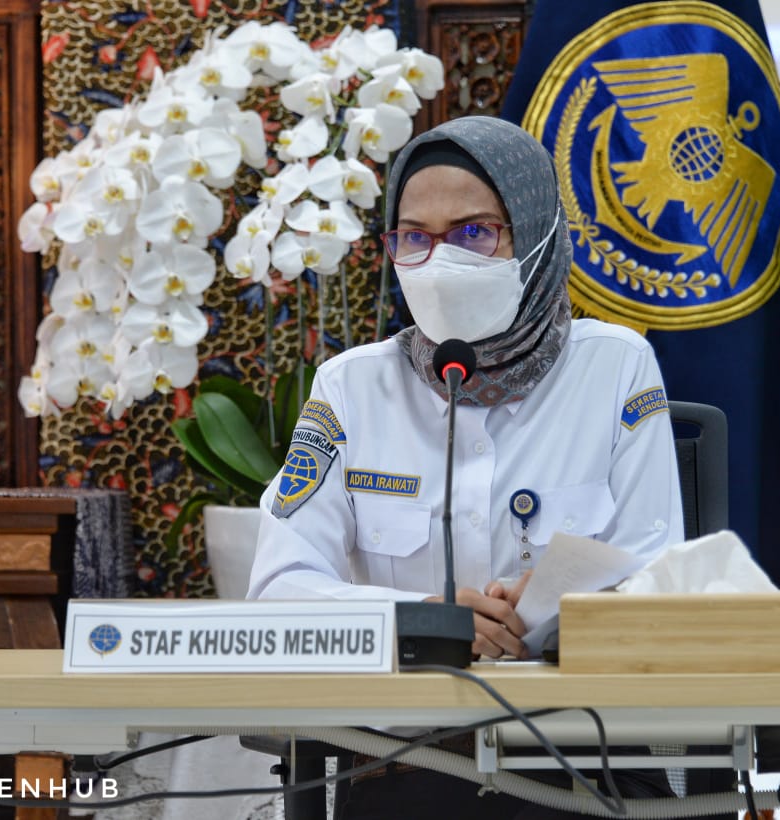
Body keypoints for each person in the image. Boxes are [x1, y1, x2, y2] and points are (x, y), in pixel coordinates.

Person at [246, 115, 685, 819]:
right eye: (414, 236)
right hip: (402, 760)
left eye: (475, 232)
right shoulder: (351, 387)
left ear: (536, 234)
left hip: (577, 758)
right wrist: (420, 624)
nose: (439, 261)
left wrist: (555, 613)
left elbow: (658, 574)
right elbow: (278, 590)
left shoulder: (616, 367)